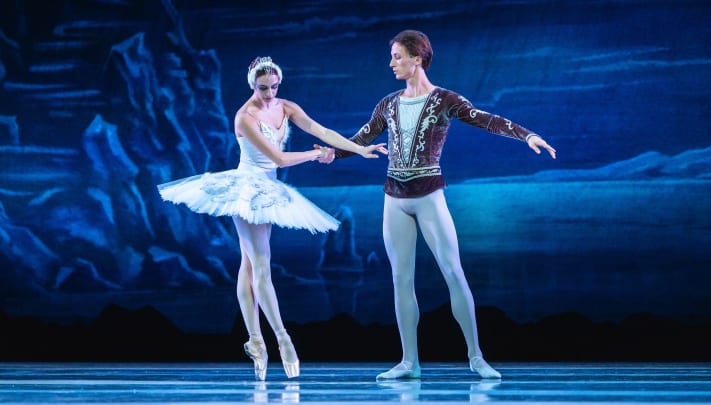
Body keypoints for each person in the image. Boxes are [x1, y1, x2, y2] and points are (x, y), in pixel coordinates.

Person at [320, 30, 556, 380]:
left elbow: (484, 119)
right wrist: (332, 152)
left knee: (453, 273)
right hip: (394, 199)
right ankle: (409, 362)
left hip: (429, 195)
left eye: (398, 56)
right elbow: (362, 138)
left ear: (418, 58)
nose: (392, 63)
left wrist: (527, 135)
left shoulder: (445, 99)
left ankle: (476, 356)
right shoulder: (388, 104)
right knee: (401, 279)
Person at [157, 56, 387, 381]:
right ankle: (282, 338)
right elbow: (277, 157)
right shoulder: (244, 117)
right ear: (252, 84)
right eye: (263, 88)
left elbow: (320, 129)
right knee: (260, 264)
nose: (268, 93)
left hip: (270, 189)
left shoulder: (286, 106)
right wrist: (316, 154)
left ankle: (254, 339)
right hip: (247, 190)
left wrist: (359, 149)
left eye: (274, 87)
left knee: (249, 265)